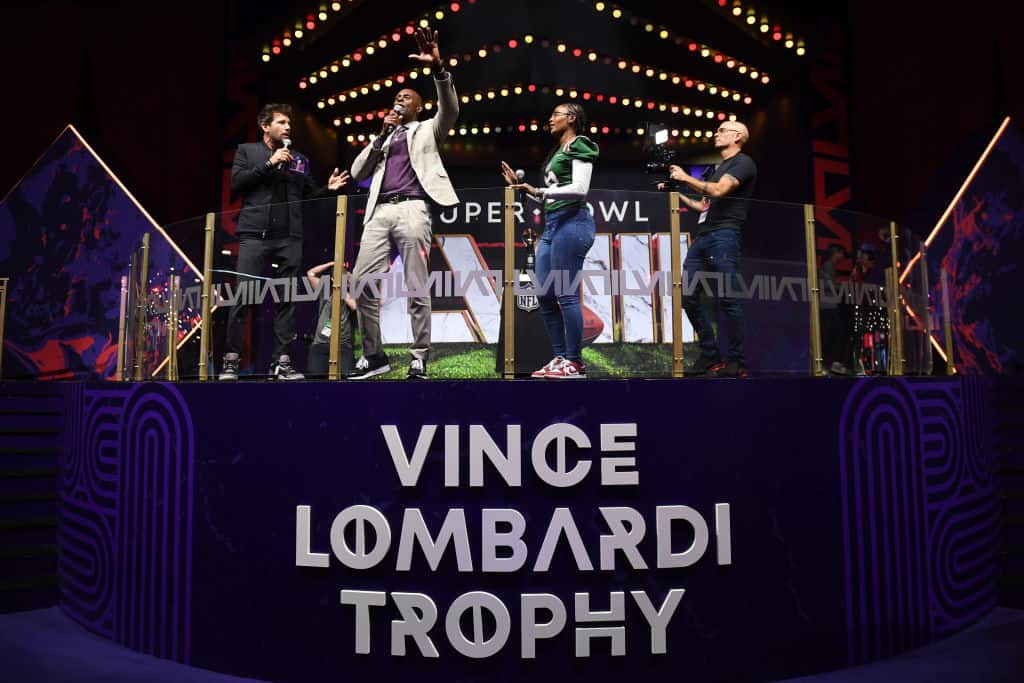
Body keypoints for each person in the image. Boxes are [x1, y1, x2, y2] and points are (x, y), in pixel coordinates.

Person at [346, 27, 459, 380]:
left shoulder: (428, 128)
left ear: (418, 105)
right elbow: (356, 171)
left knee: (415, 285)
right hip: (379, 213)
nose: (399, 100)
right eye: (396, 97)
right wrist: (380, 135)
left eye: (406, 97)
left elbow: (451, 109)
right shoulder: (384, 136)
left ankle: (419, 355)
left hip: (413, 208)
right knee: (362, 283)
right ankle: (375, 355)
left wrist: (438, 68)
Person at [221, 104, 350, 381]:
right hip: (255, 235)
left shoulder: (299, 159)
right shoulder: (248, 151)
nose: (288, 127)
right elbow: (238, 184)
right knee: (244, 296)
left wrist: (327, 189)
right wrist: (270, 163)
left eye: (289, 123)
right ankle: (231, 360)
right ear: (265, 126)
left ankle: (281, 362)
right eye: (281, 122)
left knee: (286, 299)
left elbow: (307, 195)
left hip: (289, 238)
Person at [501, 103, 599, 379]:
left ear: (572, 118)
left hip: (573, 221)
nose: (550, 118)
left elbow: (580, 189)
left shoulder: (580, 144)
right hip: (553, 225)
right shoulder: (558, 151)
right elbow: (551, 195)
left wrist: (538, 190)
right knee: (544, 293)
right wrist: (521, 189)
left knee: (566, 294)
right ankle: (559, 358)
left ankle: (575, 362)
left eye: (556, 114)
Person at [666, 121, 757, 377]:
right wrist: (677, 191)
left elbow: (719, 190)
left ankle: (737, 361)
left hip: (724, 236)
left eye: (722, 130)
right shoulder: (720, 168)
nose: (716, 134)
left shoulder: (743, 162)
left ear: (738, 136)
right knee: (688, 296)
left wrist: (685, 176)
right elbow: (703, 206)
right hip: (704, 237)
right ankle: (711, 355)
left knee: (728, 298)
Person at [304, 261, 357, 378]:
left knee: (347, 377)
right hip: (320, 343)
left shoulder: (351, 295)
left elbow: (355, 307)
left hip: (342, 345)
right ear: (333, 279)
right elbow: (311, 273)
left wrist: (345, 286)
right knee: (315, 377)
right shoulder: (325, 291)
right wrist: (332, 263)